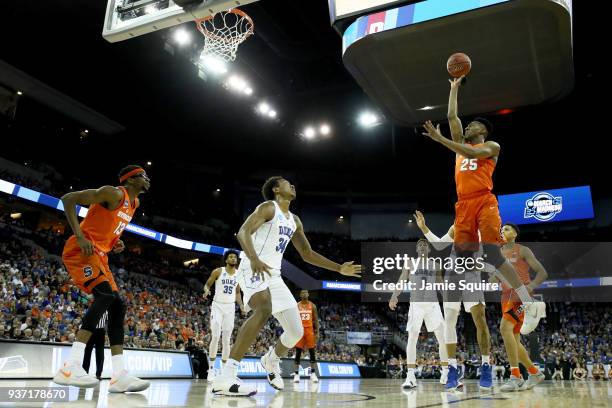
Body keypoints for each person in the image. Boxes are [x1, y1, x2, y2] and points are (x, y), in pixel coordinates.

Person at [211, 176, 361, 396]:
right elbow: (243, 232)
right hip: (253, 267)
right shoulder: (268, 208)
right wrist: (253, 258)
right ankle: (226, 376)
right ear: (275, 189)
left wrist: (339, 268)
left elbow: (307, 254)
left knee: (296, 331)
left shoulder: (294, 220)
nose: (292, 185)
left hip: (273, 275)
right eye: (286, 183)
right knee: (263, 309)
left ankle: (271, 360)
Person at [421, 76, 544, 339]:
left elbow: (473, 155)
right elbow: (452, 117)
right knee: (466, 261)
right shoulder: (460, 145)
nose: (467, 128)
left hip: (484, 200)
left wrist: (441, 140)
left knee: (493, 253)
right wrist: (453, 88)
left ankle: (529, 301)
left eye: (472, 125)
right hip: (463, 206)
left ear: (482, 130)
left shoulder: (491, 146)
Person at [52, 165, 150, 393]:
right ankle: (70, 365)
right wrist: (79, 235)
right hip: (81, 249)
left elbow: (108, 225)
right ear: (131, 180)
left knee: (118, 305)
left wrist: (114, 242)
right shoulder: (113, 193)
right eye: (143, 176)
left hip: (100, 254)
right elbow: (68, 199)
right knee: (105, 295)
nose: (148, 179)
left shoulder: (134, 204)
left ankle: (119, 375)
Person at [414, 211, 491, 390]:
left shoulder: (482, 226)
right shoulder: (456, 226)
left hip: (472, 276)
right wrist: (424, 228)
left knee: (480, 319)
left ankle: (486, 364)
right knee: (449, 321)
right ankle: (452, 369)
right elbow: (440, 245)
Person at [389, 239, 448, 389]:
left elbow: (441, 284)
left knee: (442, 337)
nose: (422, 247)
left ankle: (446, 372)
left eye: (425, 245)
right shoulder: (409, 263)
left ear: (429, 249)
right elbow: (402, 279)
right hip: (416, 304)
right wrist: (394, 295)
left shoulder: (435, 265)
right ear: (416, 249)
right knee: (412, 338)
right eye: (419, 245)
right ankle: (410, 376)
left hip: (433, 304)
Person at [496, 223, 547, 391]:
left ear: (515, 234)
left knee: (504, 329)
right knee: (514, 341)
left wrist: (530, 287)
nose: (503, 231)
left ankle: (515, 376)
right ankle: (534, 372)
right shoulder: (498, 253)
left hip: (520, 295)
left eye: (507, 229)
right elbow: (494, 277)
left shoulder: (523, 250)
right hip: (505, 296)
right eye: (502, 229)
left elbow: (542, 272)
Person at [203, 249, 245, 382]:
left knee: (226, 339)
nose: (233, 259)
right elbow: (207, 285)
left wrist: (242, 306)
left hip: (230, 307)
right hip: (217, 306)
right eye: (231, 257)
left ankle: (224, 371)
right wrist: (206, 291)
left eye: (235, 257)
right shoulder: (218, 271)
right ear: (226, 260)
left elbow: (238, 293)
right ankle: (211, 369)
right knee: (215, 336)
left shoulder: (239, 275)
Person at [292, 290, 319, 384]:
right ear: (300, 295)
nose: (304, 294)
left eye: (306, 292)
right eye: (302, 292)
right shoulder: (296, 305)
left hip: (309, 331)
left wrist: (317, 332)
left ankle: (313, 374)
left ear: (308, 294)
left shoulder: (313, 306)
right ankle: (296, 374)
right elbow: (294, 319)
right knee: (298, 352)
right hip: (300, 330)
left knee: (312, 352)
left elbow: (316, 320)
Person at [82, 311, 107, 380]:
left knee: (100, 353)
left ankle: (98, 374)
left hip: (101, 332)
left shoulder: (106, 310)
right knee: (87, 352)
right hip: (91, 330)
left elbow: (108, 321)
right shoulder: (93, 307)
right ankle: (84, 372)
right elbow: (85, 318)